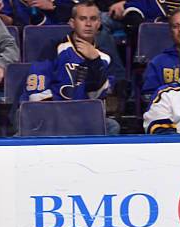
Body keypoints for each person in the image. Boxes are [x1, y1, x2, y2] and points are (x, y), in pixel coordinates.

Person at [19, 1, 120, 133]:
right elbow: (38, 85)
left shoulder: (105, 57)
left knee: (112, 126)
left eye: (93, 19)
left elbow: (96, 95)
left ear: (99, 24)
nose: (88, 24)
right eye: (82, 19)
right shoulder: (54, 47)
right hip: (50, 114)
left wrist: (94, 61)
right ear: (72, 23)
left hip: (82, 116)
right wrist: (57, 117)